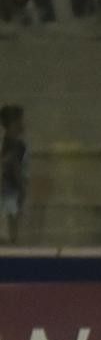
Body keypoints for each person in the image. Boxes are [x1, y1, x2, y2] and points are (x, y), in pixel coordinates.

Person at [0, 104, 28, 244]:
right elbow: (13, 166)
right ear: (13, 123)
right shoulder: (16, 145)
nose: (23, 124)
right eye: (20, 121)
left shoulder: (6, 143)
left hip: (9, 189)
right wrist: (22, 188)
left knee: (11, 223)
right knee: (13, 226)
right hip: (12, 190)